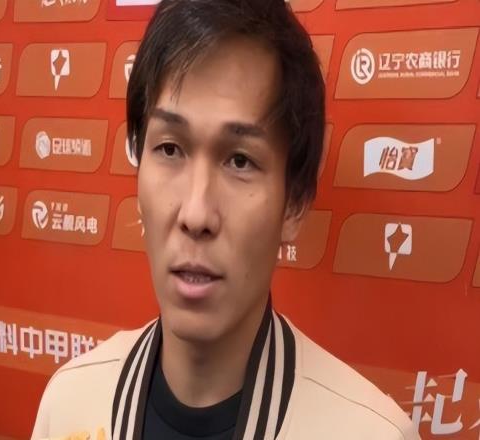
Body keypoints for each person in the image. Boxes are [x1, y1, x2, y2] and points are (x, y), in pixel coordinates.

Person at [31, 0, 421, 439]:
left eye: (239, 160)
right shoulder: (71, 402)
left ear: (294, 202)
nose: (196, 214)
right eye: (170, 149)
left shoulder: (369, 433)